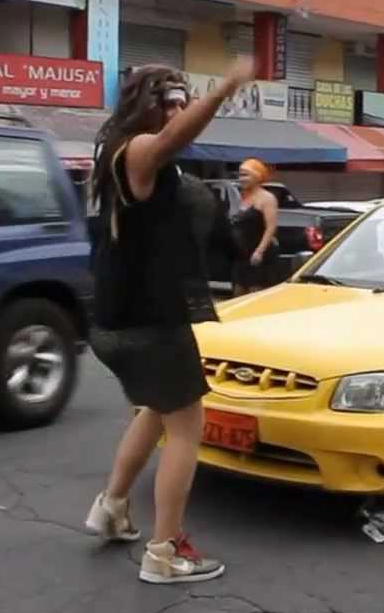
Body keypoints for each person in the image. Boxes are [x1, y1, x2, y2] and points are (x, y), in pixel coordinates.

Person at [84, 58, 256, 584]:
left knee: (157, 409)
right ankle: (166, 551)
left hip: (117, 320)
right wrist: (222, 90)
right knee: (186, 426)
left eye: (185, 101)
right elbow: (168, 142)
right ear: (146, 106)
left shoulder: (112, 150)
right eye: (170, 102)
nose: (178, 112)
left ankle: (112, 507)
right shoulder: (137, 150)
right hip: (149, 323)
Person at [231, 158, 279, 296]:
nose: (241, 179)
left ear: (257, 176)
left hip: (258, 254)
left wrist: (259, 251)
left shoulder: (267, 198)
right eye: (240, 175)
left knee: (254, 293)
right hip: (241, 256)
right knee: (237, 293)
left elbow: (271, 228)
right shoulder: (241, 197)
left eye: (245, 175)